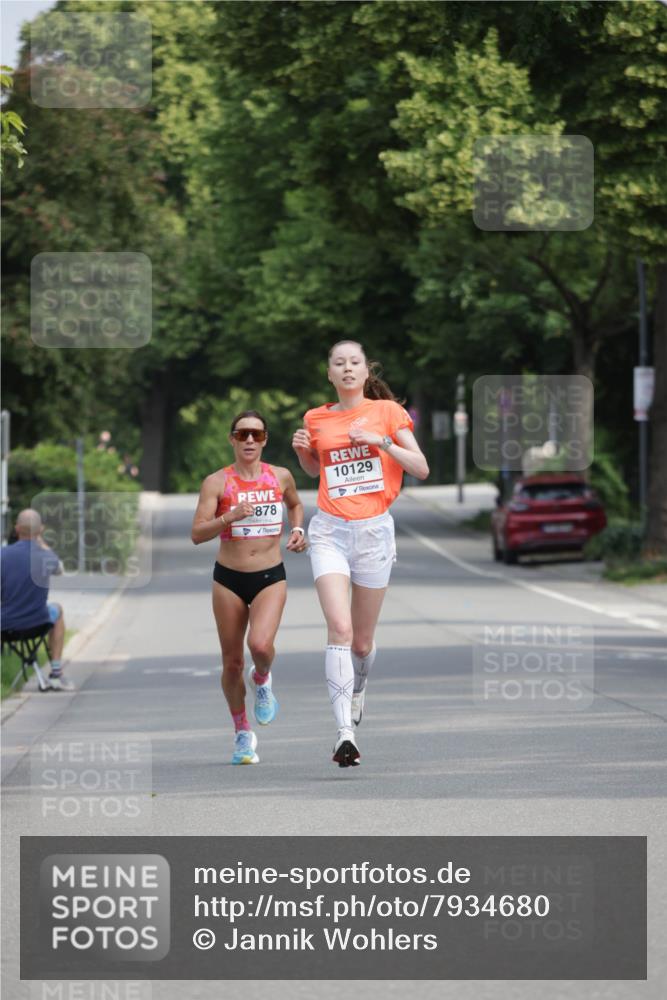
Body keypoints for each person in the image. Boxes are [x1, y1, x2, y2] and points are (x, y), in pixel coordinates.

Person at [292, 340, 429, 768]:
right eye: (339, 363)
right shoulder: (315, 417)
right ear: (329, 374)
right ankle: (343, 734)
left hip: (373, 532)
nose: (347, 369)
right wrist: (303, 453)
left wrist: (380, 442)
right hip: (330, 530)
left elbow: (421, 467)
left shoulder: (387, 414)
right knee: (339, 628)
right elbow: (318, 469)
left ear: (366, 371)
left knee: (363, 642)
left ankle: (359, 687)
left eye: (354, 362)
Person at [191, 410, 307, 765]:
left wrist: (298, 529)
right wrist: (228, 517)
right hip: (228, 578)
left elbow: (295, 504)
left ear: (265, 440)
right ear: (232, 439)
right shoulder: (217, 483)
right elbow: (197, 534)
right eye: (242, 435)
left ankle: (263, 677)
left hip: (270, 575)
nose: (250, 441)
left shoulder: (281, 476)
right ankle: (242, 733)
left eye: (256, 435)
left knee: (260, 645)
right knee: (230, 663)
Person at [0, 508, 71, 690]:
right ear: (41, 530)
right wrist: (41, 542)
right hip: (38, 623)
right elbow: (60, 569)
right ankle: (56, 672)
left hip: (6, 625)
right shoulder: (46, 556)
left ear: (16, 528)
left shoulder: (3, 555)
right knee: (58, 609)